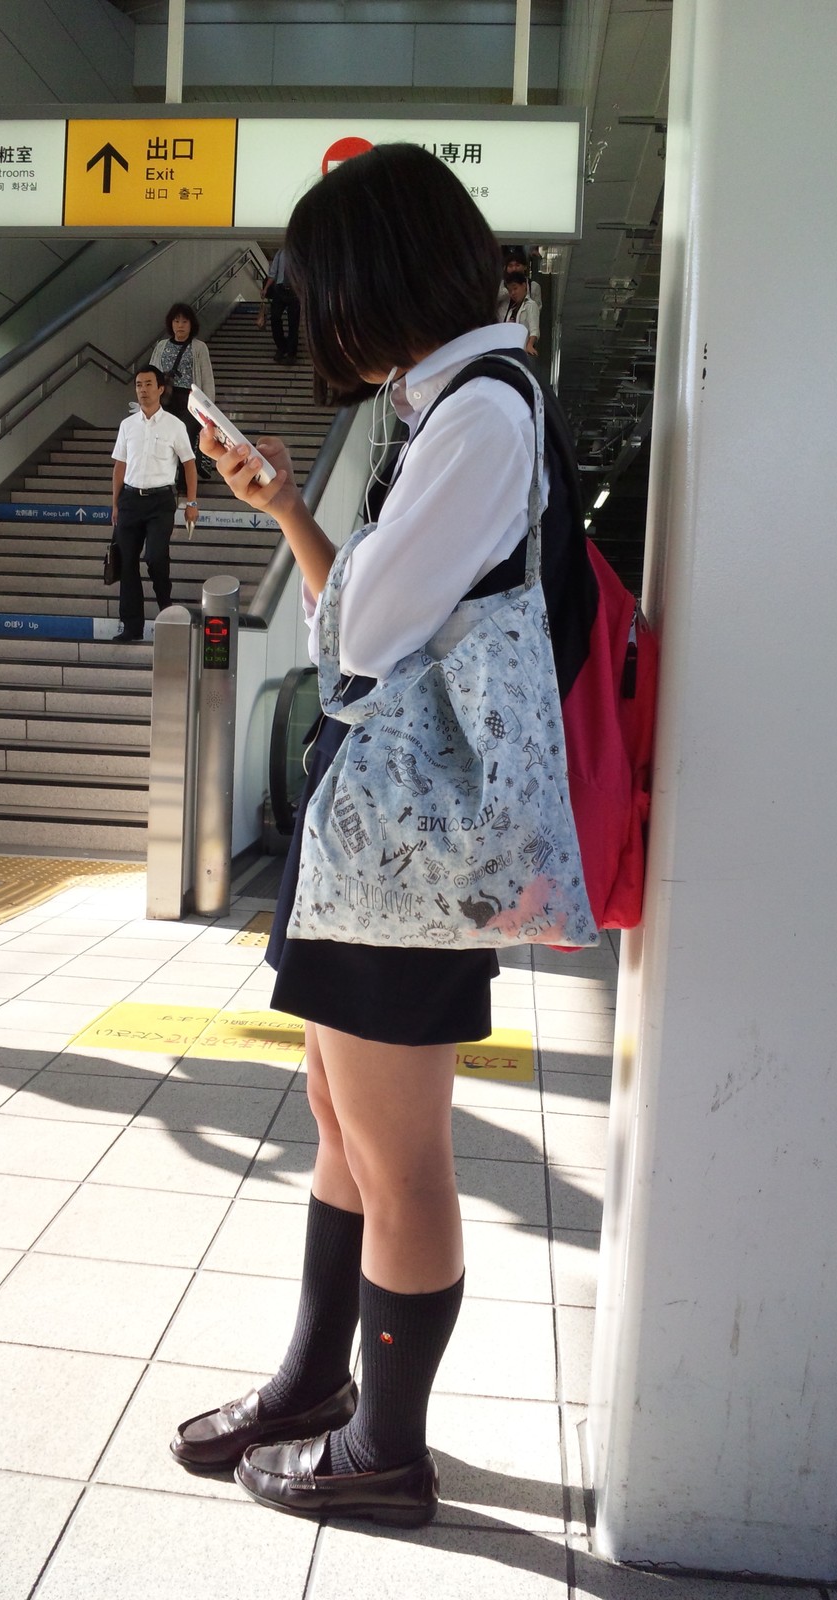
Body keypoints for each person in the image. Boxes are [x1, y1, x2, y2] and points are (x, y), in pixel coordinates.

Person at [169, 143, 591, 1526]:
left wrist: (329, 553)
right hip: (378, 838)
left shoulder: (482, 413)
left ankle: (386, 1451)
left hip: (413, 851)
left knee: (401, 1154)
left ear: (377, 278)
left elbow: (359, 632)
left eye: (319, 290)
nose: (315, 322)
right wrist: (289, 507)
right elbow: (361, 624)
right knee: (339, 1115)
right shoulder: (444, 405)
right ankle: (316, 1386)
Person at [109, 366, 198, 643]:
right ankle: (131, 626)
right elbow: (120, 466)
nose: (143, 390)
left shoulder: (175, 425)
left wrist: (191, 502)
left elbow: (189, 464)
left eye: (148, 384)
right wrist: (115, 503)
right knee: (127, 563)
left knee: (156, 557)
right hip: (130, 500)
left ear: (160, 389)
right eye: (139, 385)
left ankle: (166, 608)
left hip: (161, 501)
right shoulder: (127, 425)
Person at [150, 302, 216, 479]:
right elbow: (152, 372)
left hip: (190, 401)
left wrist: (208, 407)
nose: (180, 325)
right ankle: (166, 479)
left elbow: (207, 377)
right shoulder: (161, 346)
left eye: (185, 321)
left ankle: (184, 484)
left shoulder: (199, 347)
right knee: (165, 440)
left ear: (191, 324)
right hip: (166, 399)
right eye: (176, 321)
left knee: (186, 439)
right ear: (170, 323)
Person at [263, 247, 300, 363]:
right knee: (275, 317)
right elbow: (273, 273)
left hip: (295, 290)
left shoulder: (301, 252)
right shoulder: (280, 253)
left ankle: (291, 353)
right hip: (280, 289)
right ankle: (282, 346)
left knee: (293, 323)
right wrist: (266, 288)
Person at [500, 265, 540, 355]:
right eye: (510, 291)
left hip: (523, 351)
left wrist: (530, 345)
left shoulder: (530, 305)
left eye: (515, 288)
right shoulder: (512, 309)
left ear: (524, 286)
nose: (513, 293)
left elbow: (534, 330)